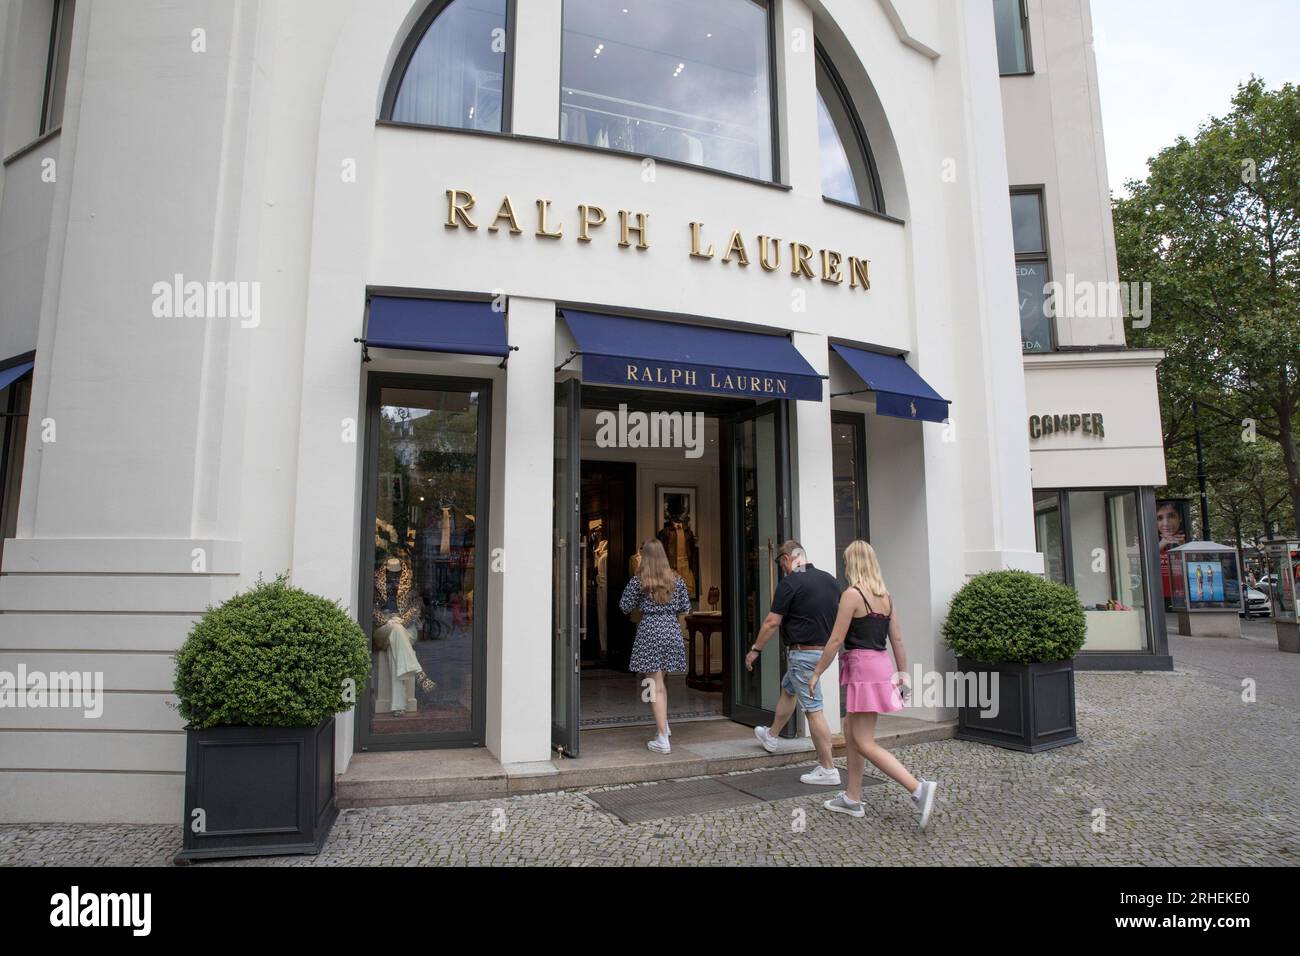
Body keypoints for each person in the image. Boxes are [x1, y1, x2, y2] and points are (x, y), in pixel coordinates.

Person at [809, 540, 937, 829]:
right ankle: (852, 798)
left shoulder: (852, 595)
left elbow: (836, 640)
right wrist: (903, 674)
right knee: (852, 733)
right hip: (880, 665)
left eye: (845, 562)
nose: (843, 567)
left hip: (863, 669)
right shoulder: (886, 597)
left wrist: (817, 672)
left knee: (864, 741)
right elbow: (898, 640)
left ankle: (918, 788)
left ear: (852, 564)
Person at [747, 540, 841, 786]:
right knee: (789, 689)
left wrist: (755, 649)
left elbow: (771, 622)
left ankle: (828, 768)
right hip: (823, 654)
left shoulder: (790, 583)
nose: (782, 569)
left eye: (781, 564)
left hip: (802, 654)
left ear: (787, 559)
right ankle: (772, 735)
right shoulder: (830, 580)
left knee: (813, 710)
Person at [619, 539, 690, 754]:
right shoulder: (677, 581)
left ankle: (662, 738)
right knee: (660, 683)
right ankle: (664, 726)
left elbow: (624, 606)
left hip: (650, 631)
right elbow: (685, 607)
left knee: (653, 685)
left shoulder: (639, 581)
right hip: (671, 630)